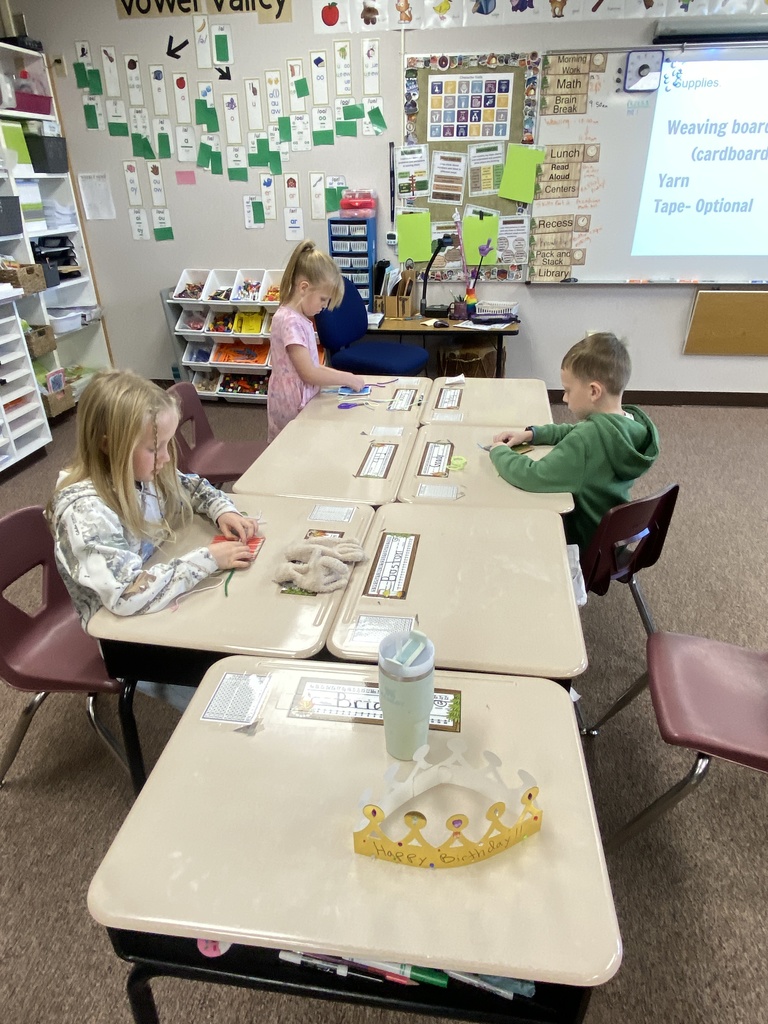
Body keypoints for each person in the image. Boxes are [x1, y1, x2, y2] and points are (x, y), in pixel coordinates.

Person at [48, 370, 260, 710]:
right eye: (154, 448)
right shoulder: (86, 511)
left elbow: (189, 485)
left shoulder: (140, 469)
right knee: (225, 692)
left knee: (242, 620)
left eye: (166, 445)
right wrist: (208, 558)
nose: (165, 458)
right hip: (122, 634)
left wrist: (221, 509)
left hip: (158, 580)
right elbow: (126, 597)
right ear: (108, 445)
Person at [488, 332, 659, 555]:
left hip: (583, 543)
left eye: (568, 390)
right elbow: (575, 430)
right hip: (611, 537)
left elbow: (533, 475)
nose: (564, 398)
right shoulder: (630, 425)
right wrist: (532, 435)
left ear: (594, 391)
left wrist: (499, 453)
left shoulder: (587, 441)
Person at [267, 239, 365, 442]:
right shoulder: (290, 322)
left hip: (298, 398)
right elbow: (309, 373)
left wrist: (346, 375)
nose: (325, 307)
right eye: (323, 299)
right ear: (304, 288)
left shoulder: (296, 318)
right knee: (293, 450)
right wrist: (347, 379)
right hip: (292, 404)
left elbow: (312, 366)